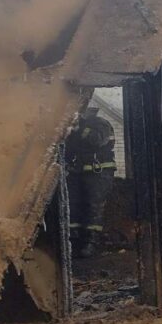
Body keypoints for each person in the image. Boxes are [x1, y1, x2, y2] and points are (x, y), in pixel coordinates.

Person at [64, 107, 117, 258]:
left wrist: (81, 129)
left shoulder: (100, 123)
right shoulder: (74, 129)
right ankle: (74, 242)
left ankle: (91, 242)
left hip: (99, 173)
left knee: (94, 206)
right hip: (78, 173)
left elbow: (97, 140)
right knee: (74, 205)